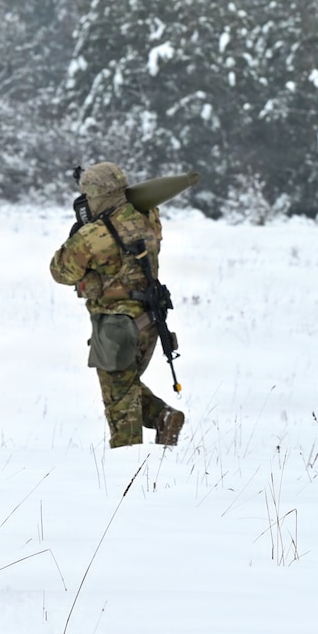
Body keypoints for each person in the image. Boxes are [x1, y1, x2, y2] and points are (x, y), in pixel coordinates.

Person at [49, 162, 184, 449]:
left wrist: (79, 229)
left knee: (119, 403)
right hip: (150, 320)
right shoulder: (149, 218)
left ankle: (128, 462)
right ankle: (163, 417)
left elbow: (60, 271)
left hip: (116, 328)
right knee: (124, 387)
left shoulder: (93, 236)